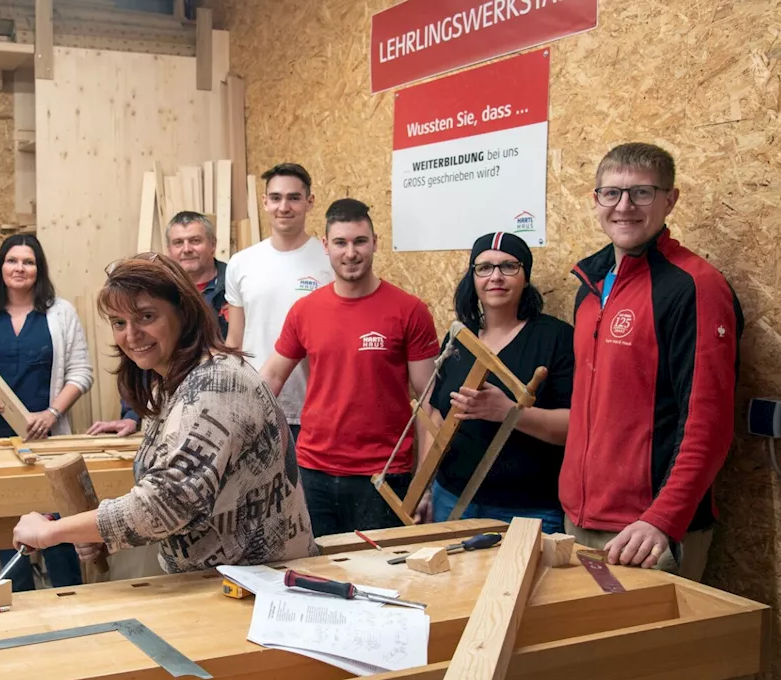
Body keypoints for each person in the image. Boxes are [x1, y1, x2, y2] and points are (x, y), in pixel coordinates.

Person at [562, 143, 742, 680]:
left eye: (642, 192)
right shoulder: (590, 285)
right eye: (612, 192)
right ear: (595, 200)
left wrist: (663, 520)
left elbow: (708, 422)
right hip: (583, 520)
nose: (625, 206)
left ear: (670, 199)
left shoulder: (694, 285)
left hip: (647, 530)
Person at [11, 253, 316, 572]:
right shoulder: (171, 384)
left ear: (183, 313)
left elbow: (163, 503)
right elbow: (183, 500)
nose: (131, 336)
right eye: (119, 323)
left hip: (259, 586)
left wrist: (50, 532)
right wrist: (99, 531)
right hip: (217, 582)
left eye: (146, 316)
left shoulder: (216, 385)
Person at [260, 199, 439, 536]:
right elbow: (270, 377)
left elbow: (430, 404)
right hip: (313, 473)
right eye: (340, 242)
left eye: (360, 241)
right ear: (326, 246)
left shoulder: (409, 311)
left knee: (377, 579)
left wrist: (424, 485)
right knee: (315, 575)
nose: (351, 253)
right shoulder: (305, 311)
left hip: (383, 475)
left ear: (375, 243)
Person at [0, 234, 92, 591]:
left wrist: (53, 413)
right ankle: (18, 600)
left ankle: (68, 598)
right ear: (1, 267)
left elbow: (81, 373)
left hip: (47, 439)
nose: (20, 268)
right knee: (7, 527)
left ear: (38, 269)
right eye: (12, 261)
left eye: (28, 262)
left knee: (58, 525)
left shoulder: (61, 313)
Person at [425, 232, 573, 536]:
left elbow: (576, 426)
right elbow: (435, 414)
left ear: (525, 277)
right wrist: (425, 489)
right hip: (451, 500)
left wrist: (509, 412)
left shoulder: (556, 338)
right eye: (484, 268)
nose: (496, 277)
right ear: (473, 277)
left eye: (508, 267)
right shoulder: (458, 337)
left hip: (527, 511)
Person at [88, 211, 228, 437]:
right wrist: (132, 415)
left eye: (146, 317)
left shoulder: (235, 286)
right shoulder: (162, 383)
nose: (186, 249)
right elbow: (140, 362)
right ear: (168, 249)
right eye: (119, 323)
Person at [225, 163, 334, 439]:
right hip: (254, 407)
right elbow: (235, 341)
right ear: (264, 202)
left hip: (313, 410)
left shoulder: (331, 262)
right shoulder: (241, 263)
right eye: (275, 198)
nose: (283, 207)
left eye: (294, 198)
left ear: (309, 202)